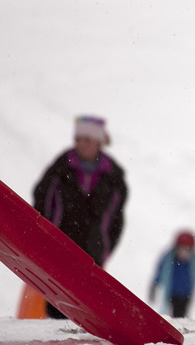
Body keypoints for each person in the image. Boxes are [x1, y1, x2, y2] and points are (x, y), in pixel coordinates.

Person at [33, 115, 128, 319]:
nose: (82, 143)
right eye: (79, 138)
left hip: (93, 252)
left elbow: (116, 220)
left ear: (98, 142)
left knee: (86, 310)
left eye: (87, 139)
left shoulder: (114, 176)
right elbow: (41, 201)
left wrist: (105, 248)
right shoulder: (60, 168)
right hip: (58, 246)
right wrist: (45, 238)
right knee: (56, 305)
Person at [149, 231, 195, 318]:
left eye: (187, 250)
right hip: (172, 293)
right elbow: (160, 272)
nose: (184, 253)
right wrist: (154, 285)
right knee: (170, 315)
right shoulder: (169, 260)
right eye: (181, 249)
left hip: (186, 295)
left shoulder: (194, 261)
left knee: (181, 314)